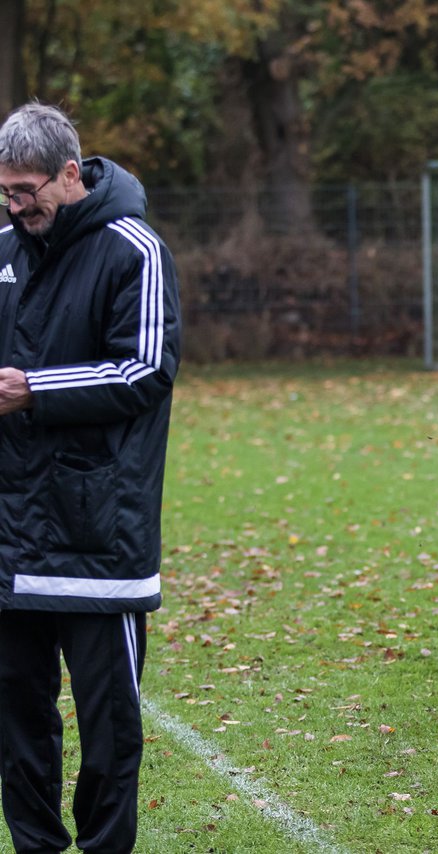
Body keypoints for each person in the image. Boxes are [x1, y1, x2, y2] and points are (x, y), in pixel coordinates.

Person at [0, 102, 181, 851]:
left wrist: (34, 390)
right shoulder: (3, 246)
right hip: (12, 539)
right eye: (5, 193)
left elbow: (146, 369)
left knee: (110, 732)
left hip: (100, 537)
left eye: (27, 191)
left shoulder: (133, 247)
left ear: (71, 174)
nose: (15, 206)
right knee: (16, 725)